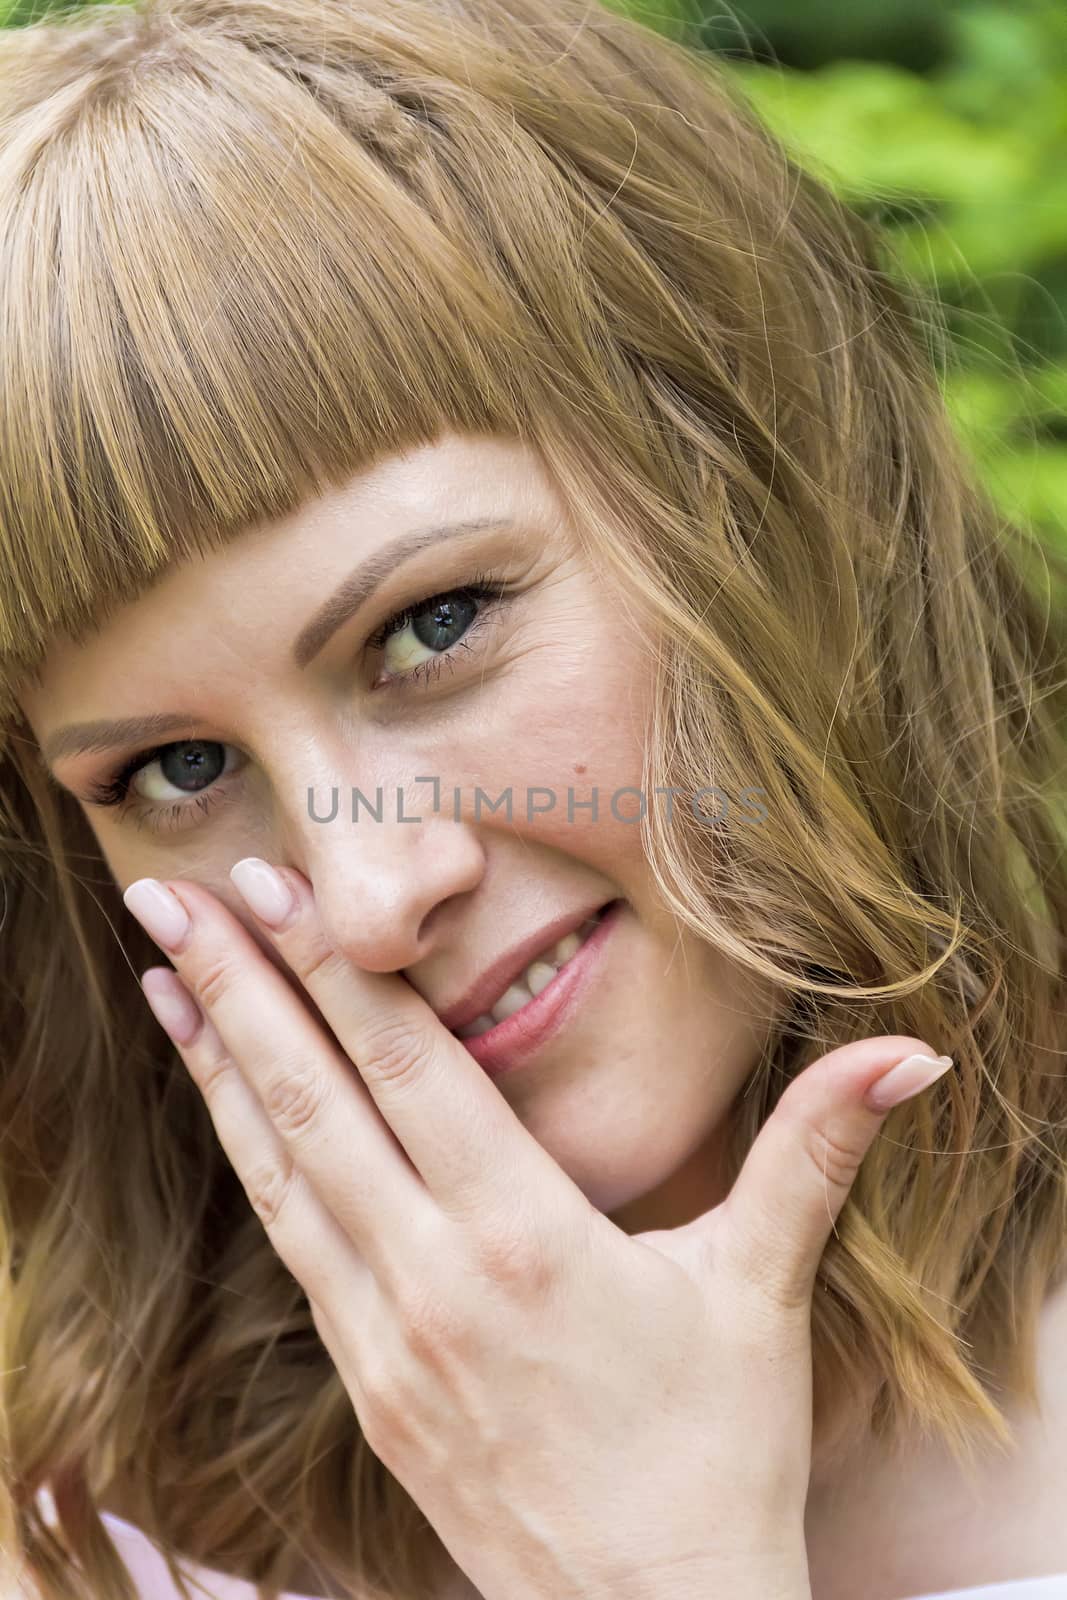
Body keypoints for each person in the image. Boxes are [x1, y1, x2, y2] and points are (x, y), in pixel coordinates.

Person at [2, 0, 1065, 1596]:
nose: (367, 899)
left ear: (755, 490)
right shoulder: (89, 1537)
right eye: (177, 770)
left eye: (431, 628)